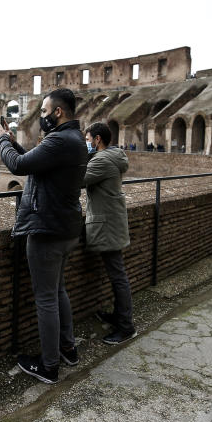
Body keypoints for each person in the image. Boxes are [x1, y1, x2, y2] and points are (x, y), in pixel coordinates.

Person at [0, 88, 87, 384]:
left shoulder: (60, 139)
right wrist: (13, 143)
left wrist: (0, 142)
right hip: (66, 226)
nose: (43, 117)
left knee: (46, 298)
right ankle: (68, 349)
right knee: (58, 290)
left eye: (45, 112)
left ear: (58, 112)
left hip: (47, 228)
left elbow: (18, 166)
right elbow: (35, 163)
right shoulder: (75, 140)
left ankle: (48, 366)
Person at [83, 122, 137, 345]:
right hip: (113, 221)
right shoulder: (113, 157)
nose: (86, 143)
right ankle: (119, 317)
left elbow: (78, 180)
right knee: (118, 274)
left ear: (97, 140)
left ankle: (126, 327)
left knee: (118, 276)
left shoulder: (102, 160)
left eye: (87, 139)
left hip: (108, 224)